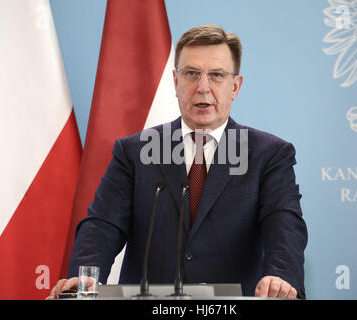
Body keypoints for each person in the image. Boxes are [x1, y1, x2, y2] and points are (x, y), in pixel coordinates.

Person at [48, 25, 307, 300]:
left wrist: (281, 276)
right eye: (191, 74)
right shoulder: (134, 152)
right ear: (175, 82)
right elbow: (103, 224)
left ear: (235, 86)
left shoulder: (268, 154)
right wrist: (86, 276)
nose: (203, 88)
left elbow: (283, 224)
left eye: (216, 75)